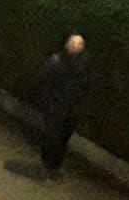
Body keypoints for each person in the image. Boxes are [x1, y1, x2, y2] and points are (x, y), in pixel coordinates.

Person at [32, 34, 89, 178]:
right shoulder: (55, 62)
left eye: (79, 44)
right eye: (74, 44)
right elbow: (42, 82)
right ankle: (47, 163)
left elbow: (84, 86)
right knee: (52, 137)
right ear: (67, 45)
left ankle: (55, 166)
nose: (76, 47)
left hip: (71, 110)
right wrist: (47, 103)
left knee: (63, 139)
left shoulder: (82, 65)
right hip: (55, 108)